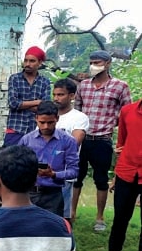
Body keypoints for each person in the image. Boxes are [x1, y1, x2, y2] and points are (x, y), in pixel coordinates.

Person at [71, 50, 131, 231]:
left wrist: (117, 128)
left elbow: (128, 114)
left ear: (108, 63)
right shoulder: (84, 86)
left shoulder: (120, 87)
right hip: (82, 138)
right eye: (92, 62)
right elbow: (77, 112)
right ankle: (71, 213)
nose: (93, 65)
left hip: (103, 139)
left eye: (97, 62)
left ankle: (99, 217)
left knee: (101, 179)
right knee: (76, 177)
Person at [0, 46, 51, 212]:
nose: (28, 64)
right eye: (26, 60)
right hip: (15, 128)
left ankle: (22, 203)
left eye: (32, 61)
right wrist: (36, 102)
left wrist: (28, 104)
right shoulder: (15, 79)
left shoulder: (44, 82)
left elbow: (45, 107)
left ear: (40, 63)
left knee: (30, 165)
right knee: (6, 163)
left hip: (34, 130)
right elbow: (13, 104)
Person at [102, 98, 142, 251]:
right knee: (120, 218)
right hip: (126, 172)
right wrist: (117, 175)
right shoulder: (128, 111)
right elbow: (121, 146)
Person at [18, 100, 79, 216]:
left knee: (52, 230)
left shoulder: (68, 141)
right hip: (29, 193)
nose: (46, 126)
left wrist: (54, 174)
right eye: (42, 122)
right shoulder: (26, 140)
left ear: (57, 118)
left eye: (50, 122)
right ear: (36, 118)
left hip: (53, 195)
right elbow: (17, 165)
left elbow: (74, 171)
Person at [53, 78, 89, 224]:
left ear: (72, 96)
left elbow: (74, 143)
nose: (56, 98)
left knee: (63, 214)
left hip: (65, 172)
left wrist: (51, 150)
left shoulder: (79, 118)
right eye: (54, 94)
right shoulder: (48, 114)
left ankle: (66, 242)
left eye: (60, 95)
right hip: (42, 172)